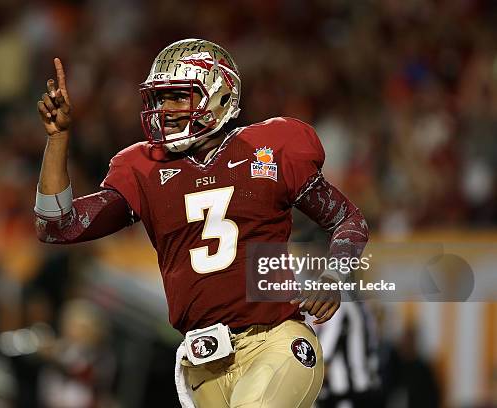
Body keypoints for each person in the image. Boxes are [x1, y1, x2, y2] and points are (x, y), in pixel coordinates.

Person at [34, 38, 369, 408]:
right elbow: (56, 225)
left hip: (274, 341)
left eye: (179, 96)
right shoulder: (144, 168)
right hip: (203, 360)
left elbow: (347, 219)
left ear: (220, 95)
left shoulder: (269, 150)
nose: (166, 109)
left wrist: (335, 276)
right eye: (160, 99)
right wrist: (58, 139)